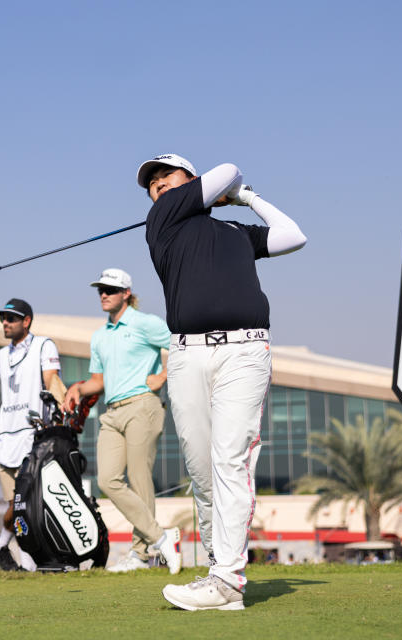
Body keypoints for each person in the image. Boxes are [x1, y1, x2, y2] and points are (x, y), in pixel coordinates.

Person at [137, 154, 306, 610]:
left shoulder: (234, 233)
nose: (156, 186)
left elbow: (293, 235)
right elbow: (228, 169)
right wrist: (228, 189)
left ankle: (227, 579)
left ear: (193, 180)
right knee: (201, 469)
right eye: (150, 183)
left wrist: (246, 199)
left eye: (165, 176)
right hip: (188, 354)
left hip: (246, 352)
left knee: (230, 459)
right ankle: (220, 569)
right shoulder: (163, 218)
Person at [63, 268, 181, 575]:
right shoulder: (100, 336)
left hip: (143, 406)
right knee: (108, 480)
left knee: (140, 480)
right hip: (112, 412)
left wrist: (164, 374)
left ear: (126, 293)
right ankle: (162, 538)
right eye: (101, 289)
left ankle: (141, 553)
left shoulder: (145, 323)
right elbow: (97, 381)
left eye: (110, 290)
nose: (103, 294)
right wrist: (77, 388)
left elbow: (181, 345)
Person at [0, 298, 63, 571]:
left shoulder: (43, 345)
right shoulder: (1, 355)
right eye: (3, 318)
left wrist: (62, 408)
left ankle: (17, 554)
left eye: (11, 318)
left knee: (25, 504)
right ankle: (7, 548)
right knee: (15, 507)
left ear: (26, 321)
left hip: (32, 437)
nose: (5, 323)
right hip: (5, 438)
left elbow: (51, 378)